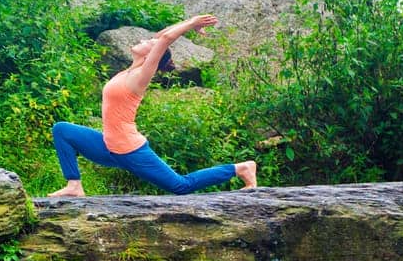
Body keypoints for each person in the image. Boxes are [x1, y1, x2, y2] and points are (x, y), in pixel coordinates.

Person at [49, 13, 256, 197]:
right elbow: (161, 36)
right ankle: (74, 185)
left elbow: (164, 40)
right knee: (62, 130)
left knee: (181, 185)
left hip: (129, 150)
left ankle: (240, 168)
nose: (144, 39)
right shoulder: (130, 70)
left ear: (151, 56)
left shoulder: (140, 77)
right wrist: (189, 25)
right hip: (108, 146)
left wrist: (192, 21)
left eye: (148, 42)